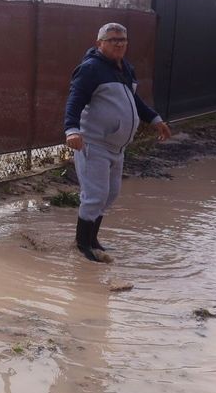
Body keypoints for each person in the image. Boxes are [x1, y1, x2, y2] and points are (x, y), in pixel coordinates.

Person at [64, 23, 171, 262]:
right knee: (95, 195)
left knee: (110, 194)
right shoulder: (91, 69)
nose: (119, 43)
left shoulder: (125, 69)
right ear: (99, 43)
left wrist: (154, 119)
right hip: (93, 143)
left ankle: (92, 240)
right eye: (112, 40)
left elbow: (134, 101)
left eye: (123, 39)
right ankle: (82, 246)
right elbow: (75, 99)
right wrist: (72, 130)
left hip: (117, 148)